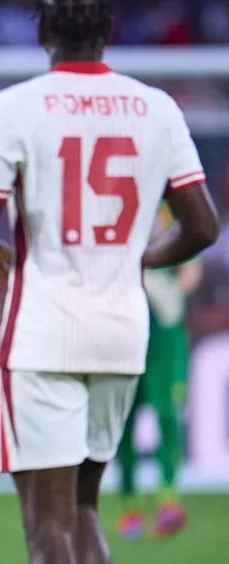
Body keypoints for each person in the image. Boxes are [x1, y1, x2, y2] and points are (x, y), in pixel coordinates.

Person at [0, 0, 219, 564]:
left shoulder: (16, 107)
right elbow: (203, 226)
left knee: (46, 529)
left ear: (44, 31)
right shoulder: (158, 108)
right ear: (109, 29)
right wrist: (139, 258)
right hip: (122, 331)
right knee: (85, 511)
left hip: (43, 332)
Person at [116, 203, 202, 539]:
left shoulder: (170, 215)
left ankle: (168, 499)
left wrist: (165, 289)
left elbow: (191, 274)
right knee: (123, 422)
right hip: (124, 338)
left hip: (165, 339)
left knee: (168, 416)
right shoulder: (119, 217)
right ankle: (131, 506)